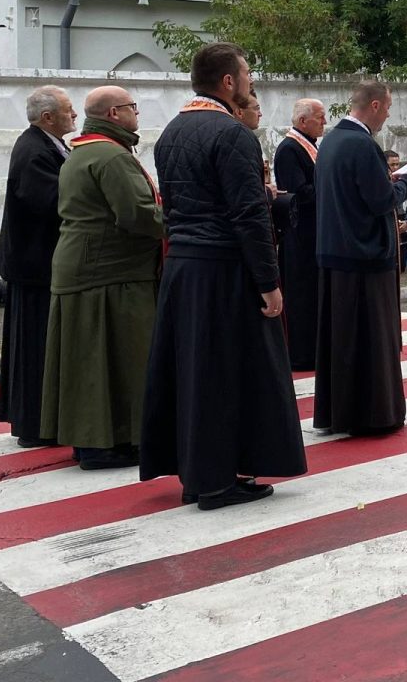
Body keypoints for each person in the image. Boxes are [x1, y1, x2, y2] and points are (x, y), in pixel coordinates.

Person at [138, 43, 306, 510]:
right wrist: (269, 283)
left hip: (184, 268)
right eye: (247, 74)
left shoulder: (172, 130)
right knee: (226, 375)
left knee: (195, 373)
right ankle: (216, 482)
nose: (251, 81)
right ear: (228, 82)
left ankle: (201, 475)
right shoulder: (232, 134)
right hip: (223, 270)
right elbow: (249, 215)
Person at [40, 87, 164, 471]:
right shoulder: (111, 156)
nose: (136, 114)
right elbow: (137, 215)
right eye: (132, 107)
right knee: (117, 359)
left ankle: (91, 442)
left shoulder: (84, 151)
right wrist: (180, 221)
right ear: (114, 114)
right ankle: (109, 444)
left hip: (86, 266)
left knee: (85, 361)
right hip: (112, 270)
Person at [312, 82, 407, 436]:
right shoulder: (362, 144)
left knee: (342, 342)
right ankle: (373, 415)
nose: (388, 114)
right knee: (370, 341)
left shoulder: (331, 141)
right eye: (387, 107)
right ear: (374, 105)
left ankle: (339, 413)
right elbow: (381, 200)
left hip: (335, 254)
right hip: (364, 258)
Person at [0, 86, 75, 446]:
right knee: (34, 349)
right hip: (34, 266)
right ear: (48, 117)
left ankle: (46, 420)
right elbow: (53, 200)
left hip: (38, 264)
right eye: (68, 110)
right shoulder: (34, 150)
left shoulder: (49, 145)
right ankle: (35, 425)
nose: (74, 115)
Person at [272, 98, 325, 370]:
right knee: (302, 296)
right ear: (303, 121)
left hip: (314, 233)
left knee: (314, 294)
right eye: (320, 117)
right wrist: (330, 184)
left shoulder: (310, 146)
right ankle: (302, 354)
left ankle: (317, 349)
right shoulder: (290, 149)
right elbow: (300, 193)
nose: (324, 122)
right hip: (300, 235)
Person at [384, 150, 407, 275]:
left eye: (397, 164)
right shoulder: (381, 184)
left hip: (402, 232)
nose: (396, 167)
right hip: (389, 234)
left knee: (402, 267)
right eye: (392, 165)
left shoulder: (403, 182)